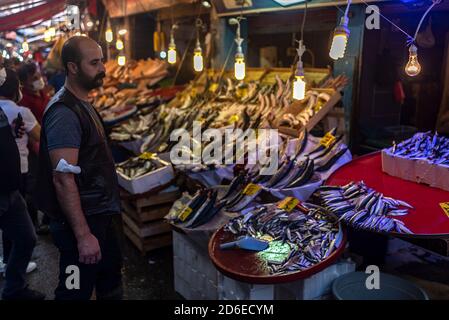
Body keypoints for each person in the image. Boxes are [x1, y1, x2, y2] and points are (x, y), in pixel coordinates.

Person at [37, 36, 123, 300]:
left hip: (100, 216)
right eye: (94, 63)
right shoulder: (64, 113)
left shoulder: (82, 103)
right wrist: (83, 235)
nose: (103, 69)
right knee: (74, 290)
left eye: (102, 61)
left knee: (110, 282)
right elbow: (63, 180)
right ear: (73, 67)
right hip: (82, 224)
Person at [0, 66, 45, 300]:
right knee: (22, 235)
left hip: (10, 185)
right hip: (13, 179)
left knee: (24, 234)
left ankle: (13, 288)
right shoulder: (21, 111)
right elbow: (42, 137)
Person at [18, 62, 51, 235]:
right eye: (34, 78)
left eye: (38, 76)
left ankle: (48, 217)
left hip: (48, 143)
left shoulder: (42, 93)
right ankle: (34, 225)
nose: (39, 80)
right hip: (34, 149)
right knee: (33, 186)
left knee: (49, 182)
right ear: (25, 82)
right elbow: (30, 132)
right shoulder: (24, 101)